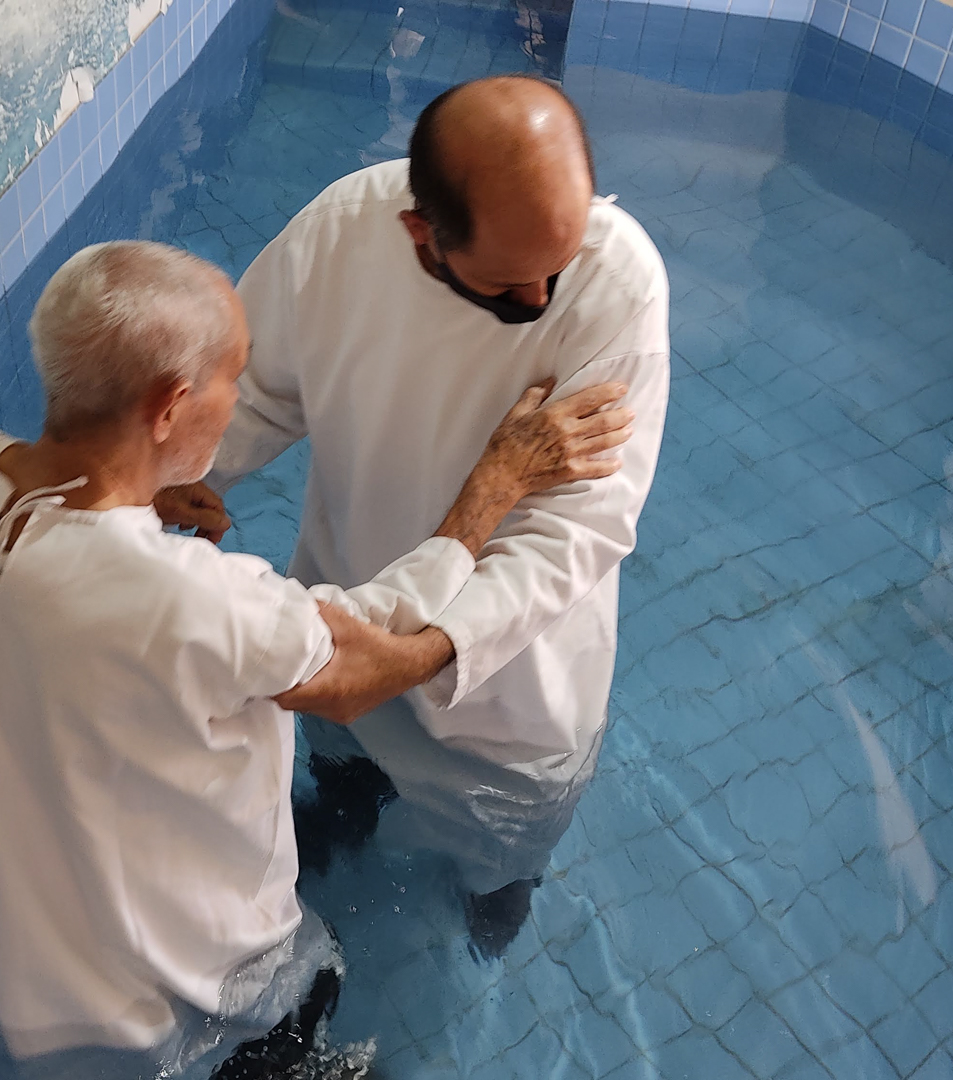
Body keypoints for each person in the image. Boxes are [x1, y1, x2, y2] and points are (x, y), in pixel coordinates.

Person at [0, 240, 633, 1079]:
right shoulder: (198, 600)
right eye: (233, 377)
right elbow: (361, 663)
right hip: (164, 1017)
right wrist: (494, 486)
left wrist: (135, 499)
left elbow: (56, 587)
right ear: (170, 407)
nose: (240, 399)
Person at [184, 75, 671, 960]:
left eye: (558, 268)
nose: (542, 301)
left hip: (511, 689)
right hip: (353, 608)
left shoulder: (618, 281)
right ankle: (343, 823)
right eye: (512, 286)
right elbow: (251, 390)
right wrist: (176, 476)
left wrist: (425, 653)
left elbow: (578, 527)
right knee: (342, 785)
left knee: (499, 870)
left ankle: (492, 915)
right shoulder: (338, 236)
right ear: (421, 232)